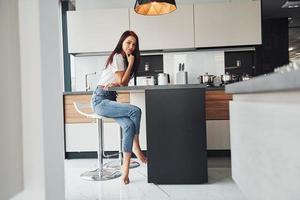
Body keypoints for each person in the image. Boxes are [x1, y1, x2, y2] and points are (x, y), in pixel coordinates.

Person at [91, 30, 147, 185]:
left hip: (110, 99)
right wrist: (129, 65)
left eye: (134, 45)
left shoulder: (123, 59)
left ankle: (125, 173)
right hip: (100, 100)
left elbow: (122, 83)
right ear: (122, 42)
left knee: (129, 125)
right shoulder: (117, 56)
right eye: (128, 42)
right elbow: (123, 82)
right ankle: (137, 148)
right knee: (135, 110)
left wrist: (120, 78)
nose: (131, 47)